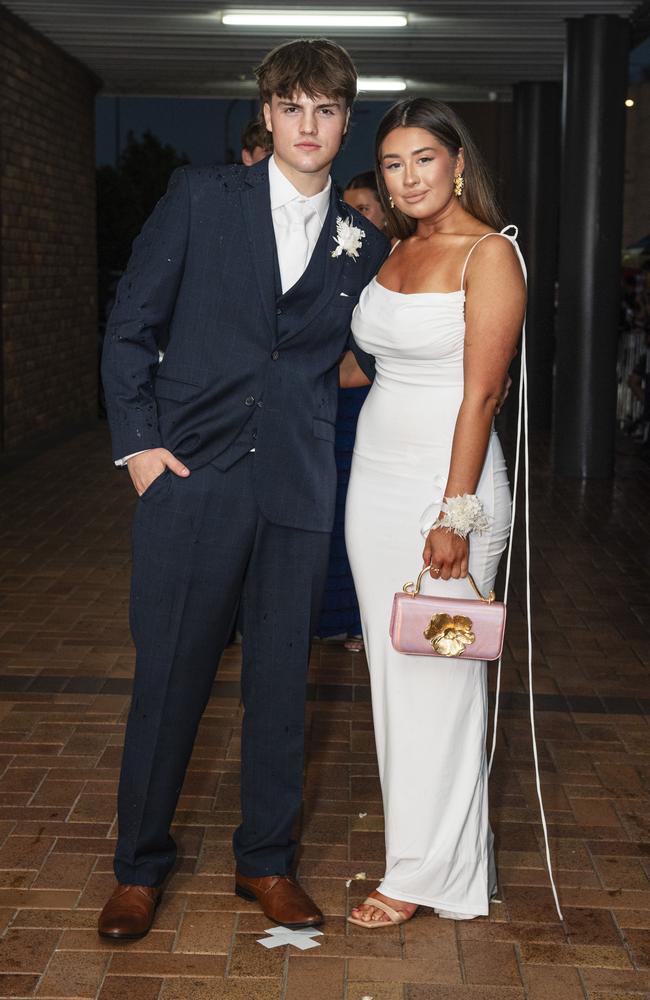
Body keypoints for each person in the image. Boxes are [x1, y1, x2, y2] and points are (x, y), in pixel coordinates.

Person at [98, 38, 388, 940]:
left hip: (297, 492)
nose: (309, 125)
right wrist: (141, 450)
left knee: (279, 688)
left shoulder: (364, 243)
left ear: (346, 122)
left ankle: (266, 862)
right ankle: (139, 868)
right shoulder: (199, 197)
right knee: (170, 680)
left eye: (327, 110)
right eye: (292, 106)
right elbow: (127, 326)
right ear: (266, 114)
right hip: (192, 483)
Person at [340, 98, 526, 926]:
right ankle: (430, 857)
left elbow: (482, 392)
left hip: (452, 498)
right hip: (373, 490)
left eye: (423, 159)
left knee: (442, 679)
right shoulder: (392, 252)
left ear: (456, 160)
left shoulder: (489, 254)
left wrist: (454, 515)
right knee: (393, 672)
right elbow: (364, 367)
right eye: (391, 164)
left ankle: (428, 874)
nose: (407, 177)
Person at [318, 171, 389, 652]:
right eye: (349, 208)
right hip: (328, 405)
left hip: (365, 402)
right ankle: (329, 617)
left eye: (364, 208)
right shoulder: (334, 261)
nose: (355, 217)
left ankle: (362, 621)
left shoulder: (388, 262)